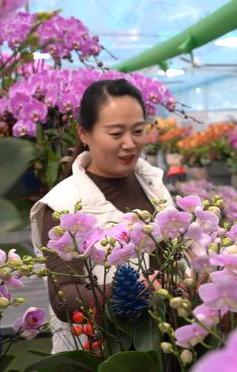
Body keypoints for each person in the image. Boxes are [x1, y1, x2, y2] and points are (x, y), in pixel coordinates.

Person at [30, 79, 174, 353]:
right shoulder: (63, 205)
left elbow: (175, 263)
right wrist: (135, 287)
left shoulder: (154, 185)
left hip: (163, 345)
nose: (130, 144)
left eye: (138, 131)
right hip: (96, 353)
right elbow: (64, 300)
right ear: (83, 133)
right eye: (116, 133)